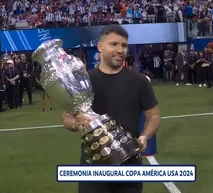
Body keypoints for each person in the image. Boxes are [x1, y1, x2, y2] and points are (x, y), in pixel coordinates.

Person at [62, 25, 160, 193]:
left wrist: (144, 137)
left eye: (124, 45)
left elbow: (154, 115)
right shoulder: (84, 82)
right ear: (100, 47)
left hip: (129, 164)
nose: (120, 50)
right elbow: (67, 118)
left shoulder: (139, 81)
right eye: (114, 44)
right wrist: (77, 124)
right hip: (93, 167)